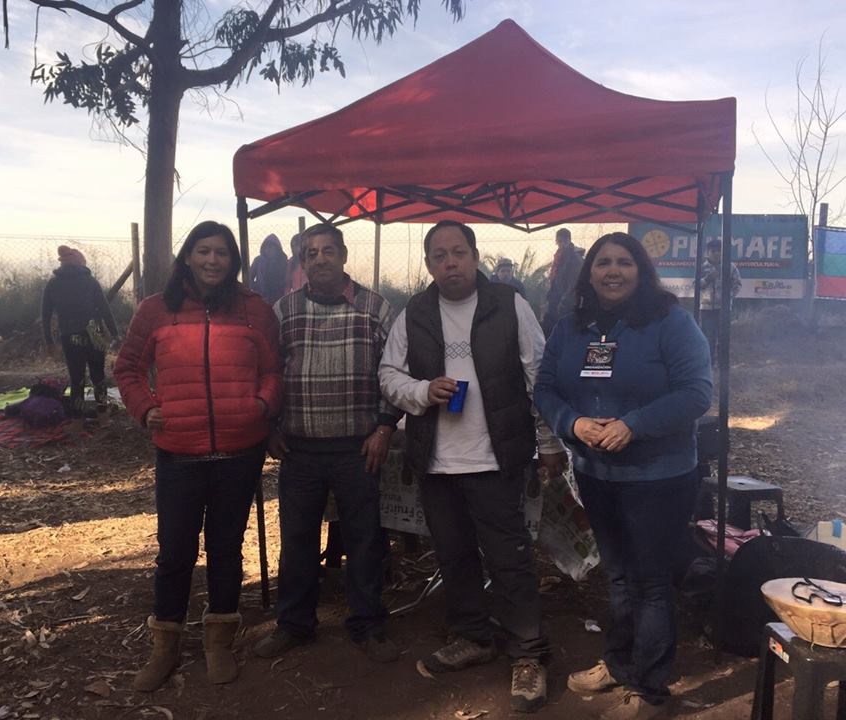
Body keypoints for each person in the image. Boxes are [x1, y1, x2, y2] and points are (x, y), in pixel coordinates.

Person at [379, 220, 567, 714]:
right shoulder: (414, 313)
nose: (450, 263)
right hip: (437, 461)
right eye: (439, 256)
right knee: (454, 555)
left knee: (508, 557)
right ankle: (473, 636)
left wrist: (548, 440)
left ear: (475, 255)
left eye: (458, 252)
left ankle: (528, 653)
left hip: (495, 457)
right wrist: (422, 391)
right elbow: (388, 374)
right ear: (428, 264)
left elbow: (539, 374)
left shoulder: (509, 304)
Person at [534, 232, 712, 720]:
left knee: (650, 582)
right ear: (588, 274)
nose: (613, 271)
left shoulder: (671, 322)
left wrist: (634, 425)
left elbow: (696, 392)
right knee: (616, 575)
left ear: (642, 271)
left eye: (624, 262)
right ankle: (618, 662)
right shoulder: (572, 327)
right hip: (597, 474)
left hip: (658, 477)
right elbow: (545, 387)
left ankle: (651, 690)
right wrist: (572, 423)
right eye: (603, 263)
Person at [114, 221, 283, 691]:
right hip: (179, 451)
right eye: (204, 251)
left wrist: (262, 406)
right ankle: (165, 644)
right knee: (175, 551)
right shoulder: (156, 309)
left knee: (226, 547)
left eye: (222, 253)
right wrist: (144, 407)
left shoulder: (253, 309)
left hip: (240, 450)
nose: (213, 260)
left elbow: (274, 370)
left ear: (233, 261)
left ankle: (219, 640)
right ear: (188, 256)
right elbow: (127, 369)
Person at [253, 223, 400, 664]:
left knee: (365, 540)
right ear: (301, 262)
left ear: (343, 254)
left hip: (359, 448)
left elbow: (394, 373)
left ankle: (368, 623)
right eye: (311, 253)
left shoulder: (376, 308)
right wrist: (269, 426)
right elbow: (267, 372)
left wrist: (384, 427)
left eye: (327, 250)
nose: (319, 259)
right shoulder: (283, 311)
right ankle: (294, 624)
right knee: (297, 540)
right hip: (299, 449)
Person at [41, 246, 119, 427]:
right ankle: (103, 416)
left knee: (76, 379)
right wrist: (116, 334)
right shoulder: (90, 282)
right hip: (95, 334)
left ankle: (77, 419)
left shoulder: (52, 284)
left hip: (70, 335)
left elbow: (45, 316)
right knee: (98, 377)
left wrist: (49, 341)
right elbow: (105, 310)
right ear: (80, 263)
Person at [699, 238, 741, 362]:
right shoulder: (702, 268)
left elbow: (737, 284)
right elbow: (695, 286)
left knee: (723, 338)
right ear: (707, 252)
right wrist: (707, 279)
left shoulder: (730, 267)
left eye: (719, 251)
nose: (716, 254)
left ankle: (723, 365)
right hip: (706, 309)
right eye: (713, 251)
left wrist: (728, 297)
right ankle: (709, 363)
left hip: (724, 309)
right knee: (708, 338)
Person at [543, 228, 583, 335]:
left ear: (569, 240)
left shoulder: (574, 258)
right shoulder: (559, 256)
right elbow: (555, 275)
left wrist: (565, 297)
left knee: (565, 324)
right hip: (556, 294)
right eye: (559, 241)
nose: (561, 244)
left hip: (567, 298)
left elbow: (574, 281)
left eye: (563, 241)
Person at [249, 233, 289, 304]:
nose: (268, 249)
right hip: (262, 297)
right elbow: (249, 278)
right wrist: (256, 288)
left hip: (280, 298)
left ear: (278, 249)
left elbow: (288, 279)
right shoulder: (258, 261)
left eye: (272, 247)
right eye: (266, 247)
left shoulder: (283, 262)